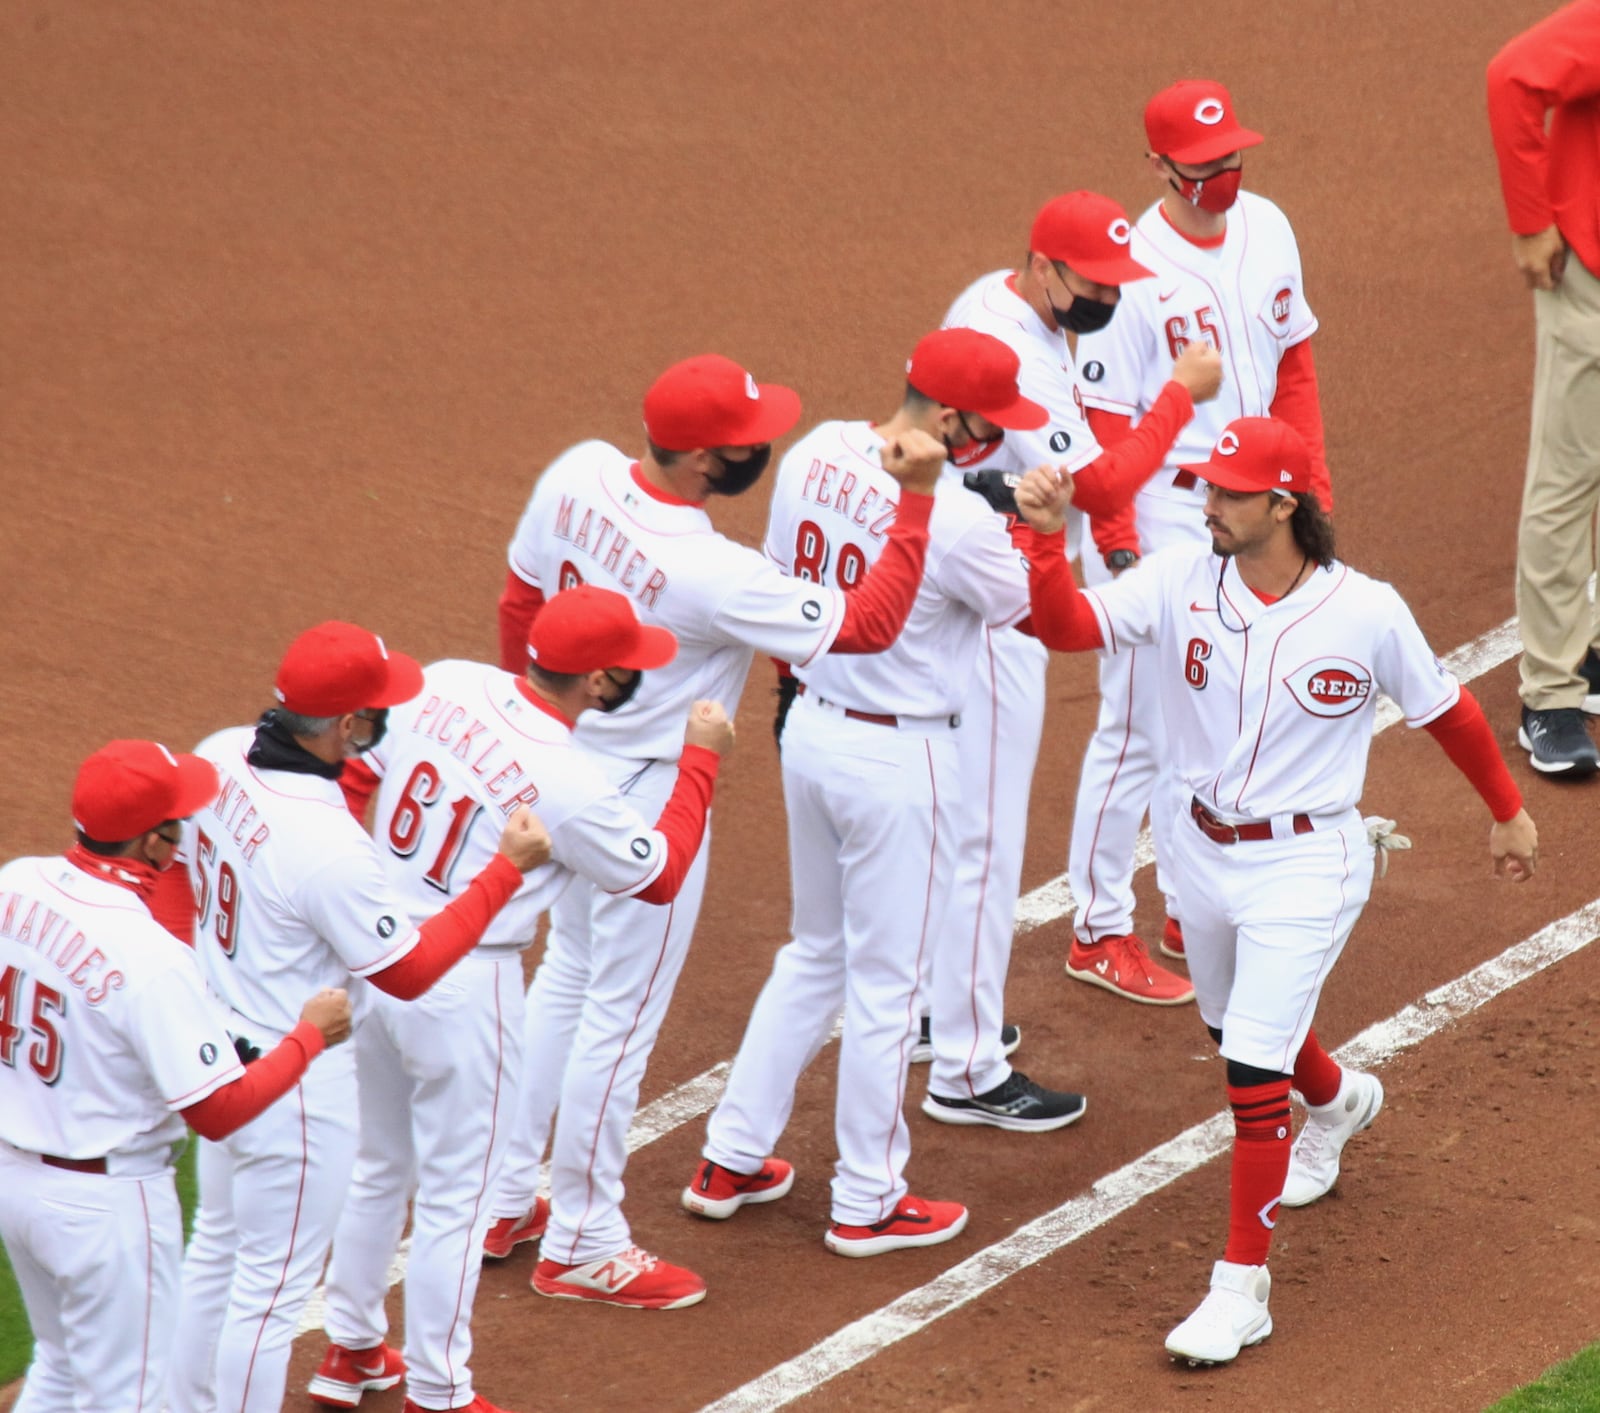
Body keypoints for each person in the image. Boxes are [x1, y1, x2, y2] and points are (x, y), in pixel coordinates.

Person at [1012, 415, 1539, 1364]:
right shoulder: (1180, 577)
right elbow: (1061, 625)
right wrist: (1046, 538)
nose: (1205, 503)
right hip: (1194, 845)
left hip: (1307, 861)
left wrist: (1508, 809)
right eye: (1206, 487)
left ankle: (1239, 1290)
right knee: (1236, 1028)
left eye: (1226, 491)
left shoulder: (1366, 611)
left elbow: (1447, 708)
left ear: (1283, 503)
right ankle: (1339, 1101)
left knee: (1250, 1069)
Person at [487, 354, 943, 1305]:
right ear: (702, 459)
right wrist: (918, 503)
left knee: (565, 980)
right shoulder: (711, 572)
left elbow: (519, 605)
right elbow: (867, 625)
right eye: (745, 440)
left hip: (560, 767)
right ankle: (583, 1238)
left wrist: (537, 734)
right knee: (618, 1017)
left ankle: (503, 1195)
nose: (761, 447)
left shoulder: (577, 471)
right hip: (647, 796)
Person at [682, 329, 1088, 1257]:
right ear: (949, 418)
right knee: (888, 991)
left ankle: (731, 1155)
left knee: (814, 952)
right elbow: (1039, 611)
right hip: (902, 764)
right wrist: (1039, 526)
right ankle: (866, 1198)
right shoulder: (952, 520)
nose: (997, 441)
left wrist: (993, 504)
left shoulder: (816, 450)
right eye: (987, 427)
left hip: (814, 731)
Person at [306, 587, 732, 1412]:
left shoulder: (446, 681)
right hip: (466, 978)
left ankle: (352, 1348)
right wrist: (701, 758)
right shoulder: (569, 780)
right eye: (628, 666)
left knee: (382, 1165)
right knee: (459, 1197)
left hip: (378, 952)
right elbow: (661, 873)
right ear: (600, 681)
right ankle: (440, 1389)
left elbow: (358, 771)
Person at [166, 622, 552, 1413]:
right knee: (269, 1297)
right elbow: (407, 971)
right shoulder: (326, 844)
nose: (384, 720)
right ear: (346, 727)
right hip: (295, 1081)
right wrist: (503, 873)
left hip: (216, 1048)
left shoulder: (218, 753)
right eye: (374, 710)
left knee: (214, 1253)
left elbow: (174, 880)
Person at [912, 190, 1222, 1077]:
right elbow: (1102, 480)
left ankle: (939, 1010)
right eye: (1094, 281)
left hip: (956, 576)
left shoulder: (1000, 303)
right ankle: (965, 1062)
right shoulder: (1020, 343)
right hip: (991, 594)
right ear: (1043, 267)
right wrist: (1178, 396)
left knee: (955, 817)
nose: (1109, 298)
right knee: (984, 831)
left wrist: (1114, 545)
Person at [1066, 78, 1335, 997]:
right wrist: (1116, 541)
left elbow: (1293, 365)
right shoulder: (1133, 270)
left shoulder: (1269, 227)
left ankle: (1186, 895)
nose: (1225, 172)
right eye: (1206, 162)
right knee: (1139, 724)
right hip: (1166, 511)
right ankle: (1099, 927)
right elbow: (1103, 420)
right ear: (1161, 166)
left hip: (1263, 504)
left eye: (1232, 156)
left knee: (1222, 707)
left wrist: (1312, 484)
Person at [0, 739, 351, 1413]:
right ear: (155, 841)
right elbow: (219, 1110)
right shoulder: (149, 955)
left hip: (18, 1182)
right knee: (133, 1396)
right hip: (104, 1204)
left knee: (62, 1364)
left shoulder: (17, 883)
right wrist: (309, 1036)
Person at [1487, 0, 1600, 776]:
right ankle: (1552, 696)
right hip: (1592, 273)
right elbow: (1512, 78)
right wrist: (1532, 222)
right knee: (1568, 477)